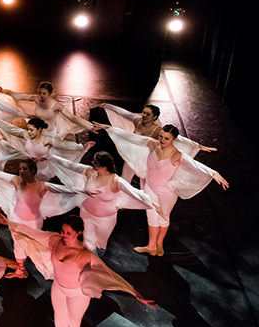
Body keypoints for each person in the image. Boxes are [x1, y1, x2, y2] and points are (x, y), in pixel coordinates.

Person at [9, 215, 154, 327]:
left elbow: (109, 275)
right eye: (63, 231)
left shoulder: (84, 255)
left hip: (77, 295)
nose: (63, 235)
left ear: (78, 233)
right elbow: (34, 234)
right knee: (60, 323)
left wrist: (135, 293)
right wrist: (9, 223)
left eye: (68, 233)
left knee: (73, 324)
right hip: (58, 289)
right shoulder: (55, 239)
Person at [94, 125, 229, 257]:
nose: (162, 140)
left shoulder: (177, 155)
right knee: (151, 216)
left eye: (166, 138)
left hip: (166, 192)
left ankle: (159, 244)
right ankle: (152, 246)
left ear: (174, 140)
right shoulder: (153, 145)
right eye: (161, 136)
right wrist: (109, 128)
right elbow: (131, 138)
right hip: (150, 187)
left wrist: (213, 173)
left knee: (163, 217)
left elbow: (195, 165)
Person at [0, 158, 87, 279]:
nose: (21, 171)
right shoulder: (16, 181)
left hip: (33, 223)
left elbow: (63, 190)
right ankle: (20, 270)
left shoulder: (41, 186)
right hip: (17, 219)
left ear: (33, 171)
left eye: (24, 169)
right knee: (18, 246)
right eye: (20, 169)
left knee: (33, 245)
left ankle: (46, 267)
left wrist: (83, 192)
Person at [49, 151, 163, 256]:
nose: (92, 163)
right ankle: (89, 266)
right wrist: (51, 157)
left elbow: (136, 193)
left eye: (95, 162)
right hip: (86, 214)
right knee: (88, 243)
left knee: (100, 244)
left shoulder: (115, 181)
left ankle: (97, 263)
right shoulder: (90, 172)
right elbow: (70, 165)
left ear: (104, 167)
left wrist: (155, 204)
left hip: (105, 220)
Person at [96, 103, 218, 185]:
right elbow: (124, 113)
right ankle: (122, 200)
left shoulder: (158, 130)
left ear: (154, 117)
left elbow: (179, 138)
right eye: (144, 112)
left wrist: (199, 146)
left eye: (148, 114)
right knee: (125, 176)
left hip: (146, 159)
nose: (144, 115)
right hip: (133, 155)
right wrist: (107, 106)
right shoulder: (137, 120)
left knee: (146, 181)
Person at [0, 118, 94, 181]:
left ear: (39, 129)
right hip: (28, 168)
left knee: (40, 187)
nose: (29, 132)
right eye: (28, 129)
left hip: (42, 170)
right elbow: (11, 129)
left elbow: (64, 145)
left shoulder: (46, 140)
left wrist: (82, 147)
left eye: (31, 130)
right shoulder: (26, 135)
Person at [0, 81, 94, 138]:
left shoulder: (56, 106)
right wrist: (4, 91)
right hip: (38, 132)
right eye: (40, 93)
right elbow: (20, 96)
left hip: (50, 134)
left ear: (50, 94)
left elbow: (72, 117)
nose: (41, 96)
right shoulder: (37, 99)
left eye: (44, 93)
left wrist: (89, 126)